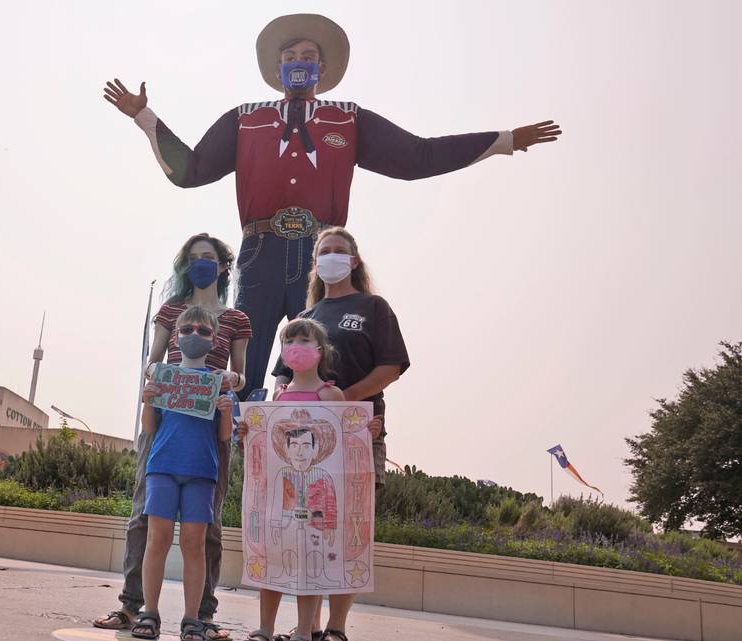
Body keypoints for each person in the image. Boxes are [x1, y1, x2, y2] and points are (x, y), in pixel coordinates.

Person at [103, 13, 561, 400]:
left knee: (321, 362)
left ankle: (316, 466)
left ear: (322, 69)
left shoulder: (349, 117)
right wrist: (144, 117)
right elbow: (192, 171)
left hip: (320, 258)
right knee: (239, 366)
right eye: (289, 58)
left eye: (307, 58)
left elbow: (416, 157)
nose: (298, 64)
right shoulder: (247, 119)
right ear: (277, 69)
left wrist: (503, 141)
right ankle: (229, 468)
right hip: (260, 253)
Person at [95, 233, 250, 640]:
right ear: (186, 266)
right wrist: (154, 380)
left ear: (222, 266)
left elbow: (242, 373)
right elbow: (154, 361)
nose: (201, 263)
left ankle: (202, 614)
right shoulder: (171, 311)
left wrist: (232, 381)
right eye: (194, 258)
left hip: (209, 430)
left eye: (208, 257)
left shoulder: (236, 319)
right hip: (164, 427)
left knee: (207, 527)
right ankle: (134, 607)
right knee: (144, 517)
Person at [270, 227, 409, 641]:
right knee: (306, 528)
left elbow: (391, 366)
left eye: (339, 251)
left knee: (349, 529)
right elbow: (281, 380)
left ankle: (335, 627)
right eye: (323, 251)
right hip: (304, 445)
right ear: (315, 264)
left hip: (358, 435)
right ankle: (307, 625)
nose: (331, 256)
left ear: (353, 261)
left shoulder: (373, 307)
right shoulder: (306, 319)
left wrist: (343, 402)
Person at [238, 318, 381, 641]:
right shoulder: (279, 397)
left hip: (317, 505)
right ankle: (265, 627)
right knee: (275, 560)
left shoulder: (331, 395)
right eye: (289, 341)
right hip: (281, 501)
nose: (295, 347)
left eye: (303, 340)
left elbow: (346, 443)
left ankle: (305, 631)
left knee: (310, 568)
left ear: (320, 350)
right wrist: (247, 432)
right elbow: (265, 447)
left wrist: (365, 431)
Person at [133, 306, 234, 641]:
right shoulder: (163, 377)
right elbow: (150, 428)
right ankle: (149, 612)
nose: (195, 335)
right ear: (175, 336)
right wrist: (148, 400)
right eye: (188, 329)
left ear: (215, 340)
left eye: (204, 331)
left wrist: (226, 412)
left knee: (194, 545)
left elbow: (223, 437)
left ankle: (192, 618)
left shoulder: (218, 383)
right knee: (156, 540)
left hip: (201, 472)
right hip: (162, 467)